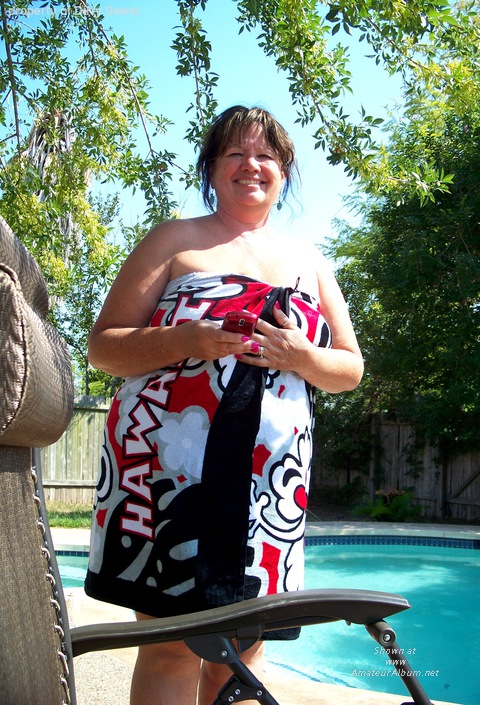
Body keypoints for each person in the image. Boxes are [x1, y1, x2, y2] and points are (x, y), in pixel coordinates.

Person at [84, 105, 363, 705]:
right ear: (211, 168)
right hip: (166, 472)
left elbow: (350, 369)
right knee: (169, 647)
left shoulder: (310, 260)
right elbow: (104, 347)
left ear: (284, 173)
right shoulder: (172, 240)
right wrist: (189, 339)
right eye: (235, 153)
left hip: (268, 485)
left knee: (243, 653)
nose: (250, 165)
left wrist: (301, 355)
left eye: (265, 155)